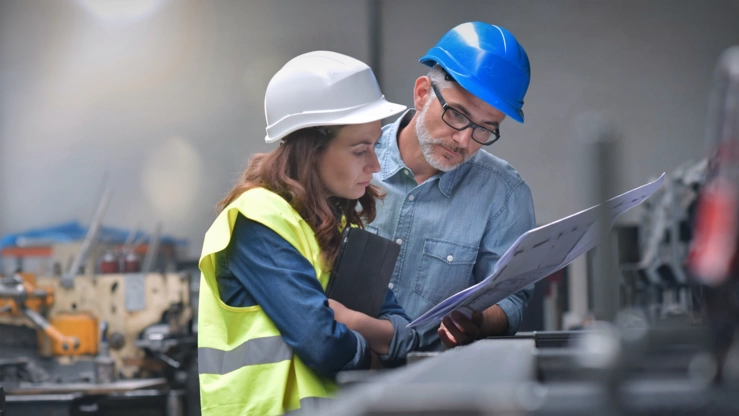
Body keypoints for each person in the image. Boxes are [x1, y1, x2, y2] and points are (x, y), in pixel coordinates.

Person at [197, 51, 416, 416]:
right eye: (361, 150)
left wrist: (353, 322)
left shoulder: (337, 224)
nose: (375, 165)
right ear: (310, 151)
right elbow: (322, 344)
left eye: (376, 146)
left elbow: (407, 332)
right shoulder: (257, 222)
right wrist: (377, 359)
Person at [368, 22, 537, 350]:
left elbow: (512, 300)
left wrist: (478, 321)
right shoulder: (354, 160)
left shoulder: (504, 195)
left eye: (485, 129)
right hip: (330, 380)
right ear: (421, 94)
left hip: (432, 388)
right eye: (457, 115)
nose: (464, 140)